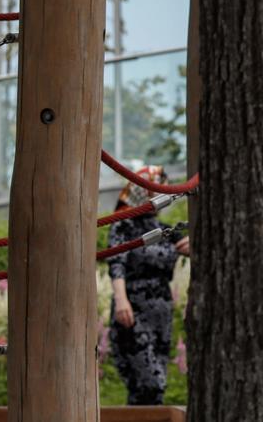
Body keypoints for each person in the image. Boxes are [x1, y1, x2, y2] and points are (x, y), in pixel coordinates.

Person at [107, 165, 191, 405]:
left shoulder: (165, 230)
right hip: (133, 308)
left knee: (156, 384)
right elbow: (117, 264)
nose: (159, 194)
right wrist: (121, 300)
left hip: (161, 310)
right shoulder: (122, 226)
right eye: (154, 189)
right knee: (149, 381)